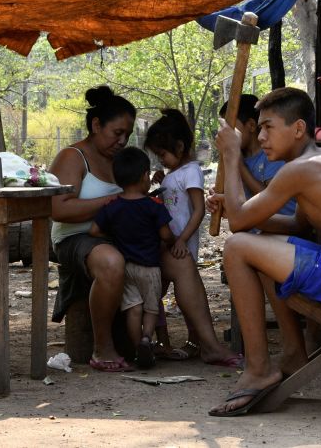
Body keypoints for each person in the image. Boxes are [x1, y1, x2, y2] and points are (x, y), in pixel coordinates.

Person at [207, 87, 321, 417]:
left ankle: (259, 368)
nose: (261, 136)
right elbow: (298, 225)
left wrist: (232, 157)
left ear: (297, 129)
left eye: (268, 127)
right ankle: (293, 351)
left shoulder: (301, 170)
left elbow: (237, 224)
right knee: (259, 240)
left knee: (238, 247)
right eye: (259, 128)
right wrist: (236, 204)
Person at [49, 86, 240, 372]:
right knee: (111, 261)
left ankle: (210, 346)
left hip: (124, 235)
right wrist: (110, 201)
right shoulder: (73, 157)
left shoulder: (121, 160)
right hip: (79, 238)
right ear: (96, 124)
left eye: (127, 135)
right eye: (117, 133)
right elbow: (58, 210)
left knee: (180, 259)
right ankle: (103, 350)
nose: (122, 141)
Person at [145, 108, 241, 367]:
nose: (161, 160)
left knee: (167, 291)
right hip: (172, 241)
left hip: (180, 242)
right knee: (159, 292)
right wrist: (161, 181)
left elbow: (198, 210)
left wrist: (180, 240)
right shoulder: (174, 173)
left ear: (179, 146)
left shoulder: (191, 171)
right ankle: (169, 341)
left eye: (163, 154)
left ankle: (191, 341)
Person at [89, 146, 175, 369]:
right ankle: (147, 338)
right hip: (151, 268)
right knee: (150, 308)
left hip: (126, 268)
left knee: (134, 309)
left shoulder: (113, 206)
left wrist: (115, 234)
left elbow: (94, 231)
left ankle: (138, 348)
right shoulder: (154, 206)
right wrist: (173, 242)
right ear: (145, 176)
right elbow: (166, 235)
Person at [219, 94, 296, 217]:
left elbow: (270, 200)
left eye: (230, 127)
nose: (224, 133)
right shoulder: (236, 155)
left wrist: (238, 164)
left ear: (251, 125)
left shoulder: (271, 155)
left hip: (280, 230)